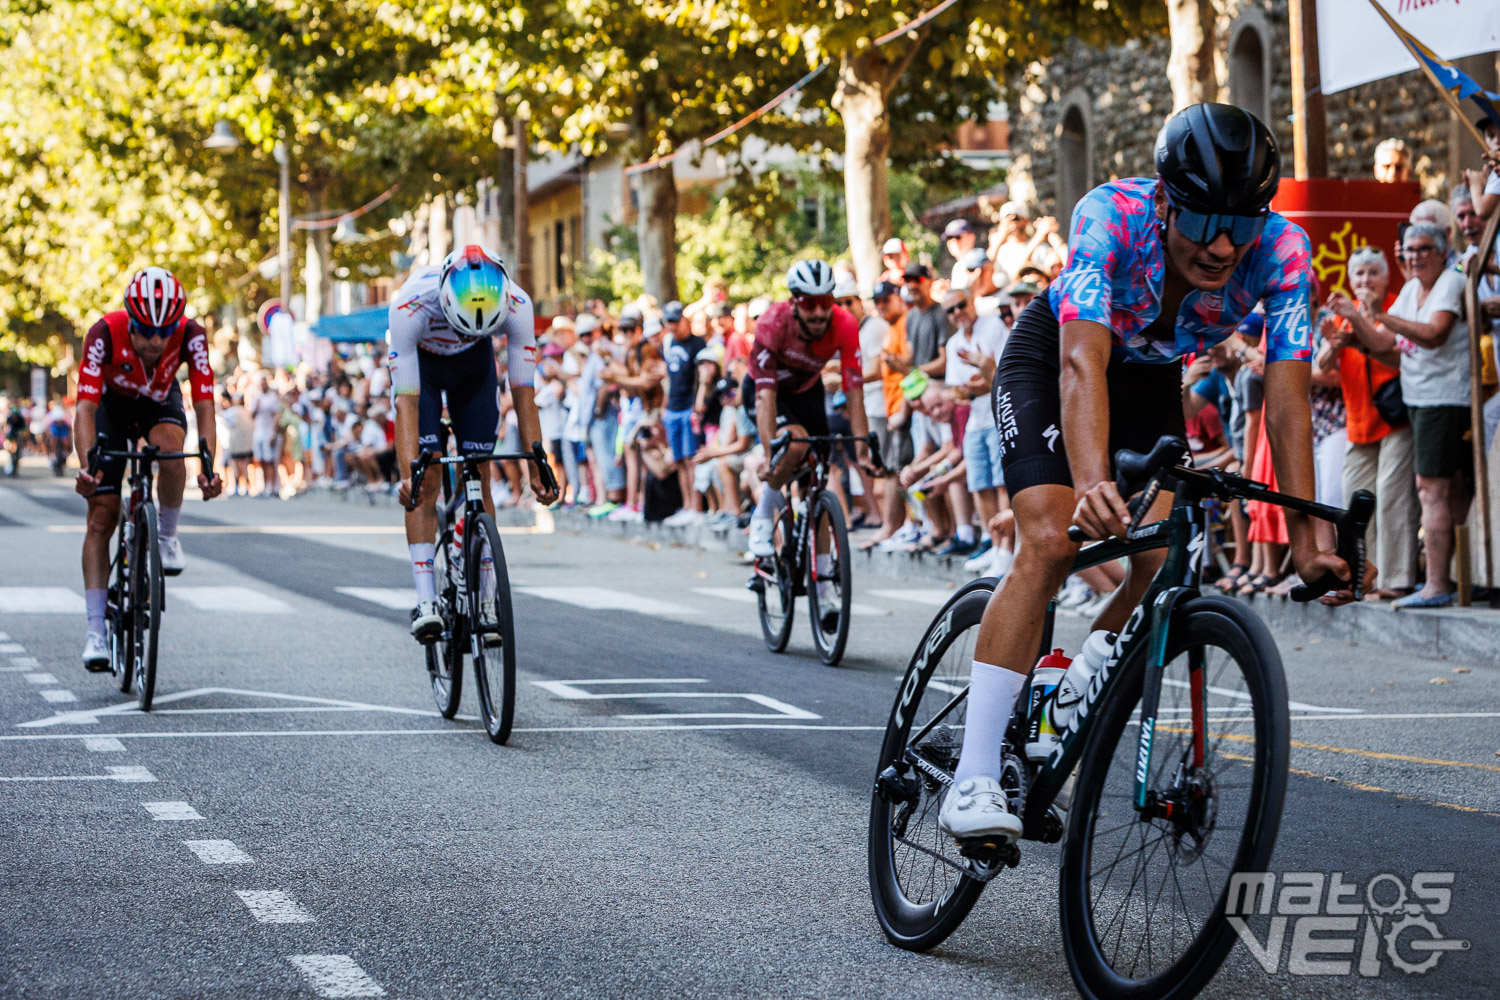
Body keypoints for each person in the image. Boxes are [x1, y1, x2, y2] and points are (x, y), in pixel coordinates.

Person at [938, 104, 1356, 842]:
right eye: (1203, 223)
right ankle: (972, 776)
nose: (1224, 245)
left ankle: (1065, 688)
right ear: (1166, 203)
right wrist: (1093, 479)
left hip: (1152, 381)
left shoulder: (1284, 252)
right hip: (1056, 358)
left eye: (1243, 223)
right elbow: (1080, 363)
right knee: (1051, 542)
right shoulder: (1113, 215)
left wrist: (1306, 537)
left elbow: (1287, 403)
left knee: (1161, 564)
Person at [388, 244, 556, 642]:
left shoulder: (517, 303)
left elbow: (524, 393)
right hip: (423, 371)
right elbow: (406, 402)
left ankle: (484, 596)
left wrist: (538, 468)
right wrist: (409, 471)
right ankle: (427, 600)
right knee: (425, 479)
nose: (464, 332)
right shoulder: (408, 307)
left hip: (473, 367)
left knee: (479, 468)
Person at [73, 266, 223, 669]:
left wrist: (209, 464)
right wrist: (88, 468)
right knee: (101, 517)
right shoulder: (103, 333)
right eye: (145, 331)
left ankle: (166, 537)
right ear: (131, 322)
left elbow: (205, 403)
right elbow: (85, 408)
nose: (156, 340)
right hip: (110, 408)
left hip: (158, 403)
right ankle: (95, 631)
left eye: (165, 331)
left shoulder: (191, 335)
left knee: (172, 452)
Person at [1328, 223, 1471, 609]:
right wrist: (1361, 322)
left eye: (1424, 248)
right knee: (1431, 490)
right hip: (1418, 399)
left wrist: (1380, 315)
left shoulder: (1450, 283)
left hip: (1445, 398)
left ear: (1442, 251)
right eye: (1409, 250)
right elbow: (1380, 344)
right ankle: (1433, 580)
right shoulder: (1411, 290)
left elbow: (1435, 333)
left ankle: (1435, 584)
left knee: (1431, 490)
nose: (1415, 256)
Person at [746, 260, 877, 562]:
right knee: (795, 442)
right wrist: (770, 456)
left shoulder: (845, 324)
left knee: (816, 488)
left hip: (807, 392)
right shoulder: (772, 323)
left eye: (825, 301)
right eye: (809, 303)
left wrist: (863, 448)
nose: (819, 312)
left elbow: (854, 391)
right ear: (794, 301)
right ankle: (763, 516)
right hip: (769, 393)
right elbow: (765, 397)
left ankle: (822, 583)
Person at [1322, 246, 1419, 599]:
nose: (1366, 280)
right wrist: (1333, 342)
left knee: (1392, 498)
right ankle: (1363, 577)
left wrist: (1356, 316)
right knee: (1354, 502)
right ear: (1350, 279)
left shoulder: (1396, 306)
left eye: (1372, 273)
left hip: (1394, 418)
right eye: (1359, 274)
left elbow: (1389, 352)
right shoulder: (1345, 316)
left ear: (1385, 277)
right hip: (1358, 422)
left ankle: (1396, 578)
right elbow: (1324, 364)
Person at [660, 300, 707, 522]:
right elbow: (669, 378)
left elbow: (702, 378)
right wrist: (664, 406)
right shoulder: (668, 342)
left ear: (684, 320)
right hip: (672, 407)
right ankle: (686, 505)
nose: (672, 326)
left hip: (688, 408)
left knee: (690, 459)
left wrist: (697, 405)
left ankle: (696, 508)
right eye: (668, 322)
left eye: (675, 321)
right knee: (678, 460)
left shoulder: (698, 343)